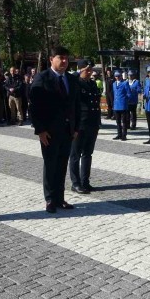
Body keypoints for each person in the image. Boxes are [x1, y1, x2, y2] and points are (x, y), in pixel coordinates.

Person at [29, 46, 80, 214]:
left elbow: (76, 106)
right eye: (60, 58)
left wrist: (76, 128)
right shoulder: (42, 78)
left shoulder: (71, 80)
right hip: (49, 132)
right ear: (51, 59)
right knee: (50, 165)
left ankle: (59, 198)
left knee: (62, 165)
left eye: (66, 58)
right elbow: (34, 107)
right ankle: (50, 199)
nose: (64, 61)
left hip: (67, 131)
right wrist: (40, 130)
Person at [69, 59, 101, 194]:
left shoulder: (92, 84)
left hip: (92, 123)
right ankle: (75, 183)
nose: (90, 72)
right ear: (81, 69)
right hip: (80, 124)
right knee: (75, 155)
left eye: (90, 70)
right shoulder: (75, 83)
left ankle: (85, 182)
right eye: (87, 69)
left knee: (88, 154)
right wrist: (78, 72)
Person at [112, 70, 130, 140]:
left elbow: (129, 94)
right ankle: (119, 134)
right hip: (116, 105)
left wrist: (125, 100)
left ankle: (124, 135)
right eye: (116, 76)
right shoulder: (114, 84)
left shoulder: (125, 83)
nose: (117, 77)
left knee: (124, 121)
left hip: (123, 105)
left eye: (118, 76)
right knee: (118, 121)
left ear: (121, 76)